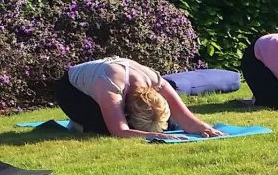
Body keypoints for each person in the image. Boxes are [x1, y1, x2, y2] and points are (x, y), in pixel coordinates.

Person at [55, 57, 222, 139]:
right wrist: (154, 136)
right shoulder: (111, 88)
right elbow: (120, 131)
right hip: (71, 90)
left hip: (109, 79)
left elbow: (187, 120)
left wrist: (203, 128)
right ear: (129, 107)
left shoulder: (157, 82)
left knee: (170, 124)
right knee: (104, 129)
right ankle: (78, 123)